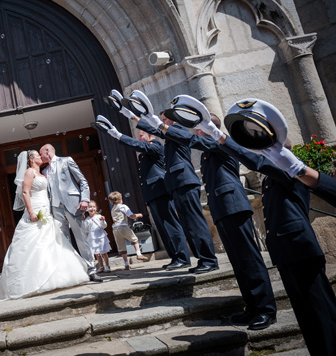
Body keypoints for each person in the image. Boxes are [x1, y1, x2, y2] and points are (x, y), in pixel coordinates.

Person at [195, 98, 336, 355]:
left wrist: (221, 137)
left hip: (300, 250)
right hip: (286, 252)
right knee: (308, 318)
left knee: (321, 313)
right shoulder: (276, 175)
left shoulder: (286, 171)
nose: (265, 155)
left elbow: (256, 162)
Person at [152, 96, 277, 330]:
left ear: (209, 129)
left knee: (249, 259)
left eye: (199, 130)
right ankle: (252, 307)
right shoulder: (211, 151)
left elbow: (189, 139)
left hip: (234, 207)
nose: (196, 134)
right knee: (238, 262)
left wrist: (161, 126)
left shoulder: (219, 144)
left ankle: (266, 309)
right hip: (222, 210)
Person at [127, 90, 218, 274]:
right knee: (187, 223)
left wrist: (137, 117)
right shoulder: (170, 135)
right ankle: (201, 260)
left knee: (195, 222)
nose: (161, 123)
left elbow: (155, 129)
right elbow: (156, 129)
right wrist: (134, 117)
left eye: (164, 120)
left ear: (172, 120)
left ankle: (208, 259)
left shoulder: (179, 130)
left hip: (184, 181)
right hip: (177, 183)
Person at [0, 150, 90, 301]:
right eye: (37, 155)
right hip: (35, 209)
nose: (40, 157)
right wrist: (30, 212)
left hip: (46, 209)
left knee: (51, 241)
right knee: (33, 243)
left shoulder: (43, 173)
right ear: (31, 159)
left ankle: (56, 275)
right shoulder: (29, 172)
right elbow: (25, 192)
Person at [95, 113, 191, 270]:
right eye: (138, 136)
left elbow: (141, 146)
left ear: (150, 134)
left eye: (141, 135)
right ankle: (175, 257)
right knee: (163, 228)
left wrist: (118, 136)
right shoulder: (146, 152)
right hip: (152, 195)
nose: (140, 138)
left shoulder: (156, 145)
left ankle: (182, 256)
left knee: (171, 226)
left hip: (160, 192)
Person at [39, 144, 102, 282]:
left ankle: (91, 270)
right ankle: (74, 272)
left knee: (81, 239)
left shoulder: (66, 161)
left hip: (73, 206)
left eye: (41, 153)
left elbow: (83, 181)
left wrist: (85, 199)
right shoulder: (44, 172)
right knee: (64, 242)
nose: (40, 156)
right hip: (56, 208)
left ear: (47, 151)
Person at [108, 191, 149, 269]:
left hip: (115, 229)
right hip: (123, 226)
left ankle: (126, 264)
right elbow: (131, 216)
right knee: (135, 240)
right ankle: (139, 254)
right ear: (120, 199)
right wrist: (139, 215)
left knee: (122, 247)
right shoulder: (123, 206)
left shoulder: (113, 209)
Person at [82, 200, 111, 273]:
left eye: (93, 207)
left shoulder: (99, 216)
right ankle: (101, 267)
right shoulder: (87, 219)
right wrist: (84, 220)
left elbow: (104, 226)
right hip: (93, 238)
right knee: (97, 254)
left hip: (101, 237)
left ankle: (107, 266)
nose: (92, 208)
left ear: (96, 208)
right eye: (90, 207)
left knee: (104, 252)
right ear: (87, 209)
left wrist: (103, 221)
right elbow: (86, 230)